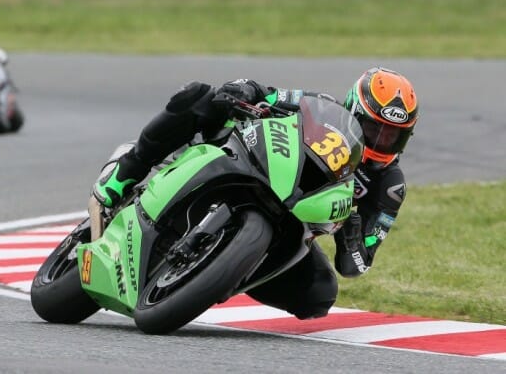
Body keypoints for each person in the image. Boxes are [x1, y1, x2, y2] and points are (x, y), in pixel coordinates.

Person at [92, 67, 418, 320]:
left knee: (319, 294)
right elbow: (271, 94)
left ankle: (221, 272)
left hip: (297, 221)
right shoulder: (324, 109)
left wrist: (353, 229)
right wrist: (246, 90)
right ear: (355, 110)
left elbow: (357, 265)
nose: (381, 141)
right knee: (200, 96)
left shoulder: (389, 187)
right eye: (376, 129)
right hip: (258, 161)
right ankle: (126, 171)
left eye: (393, 136)